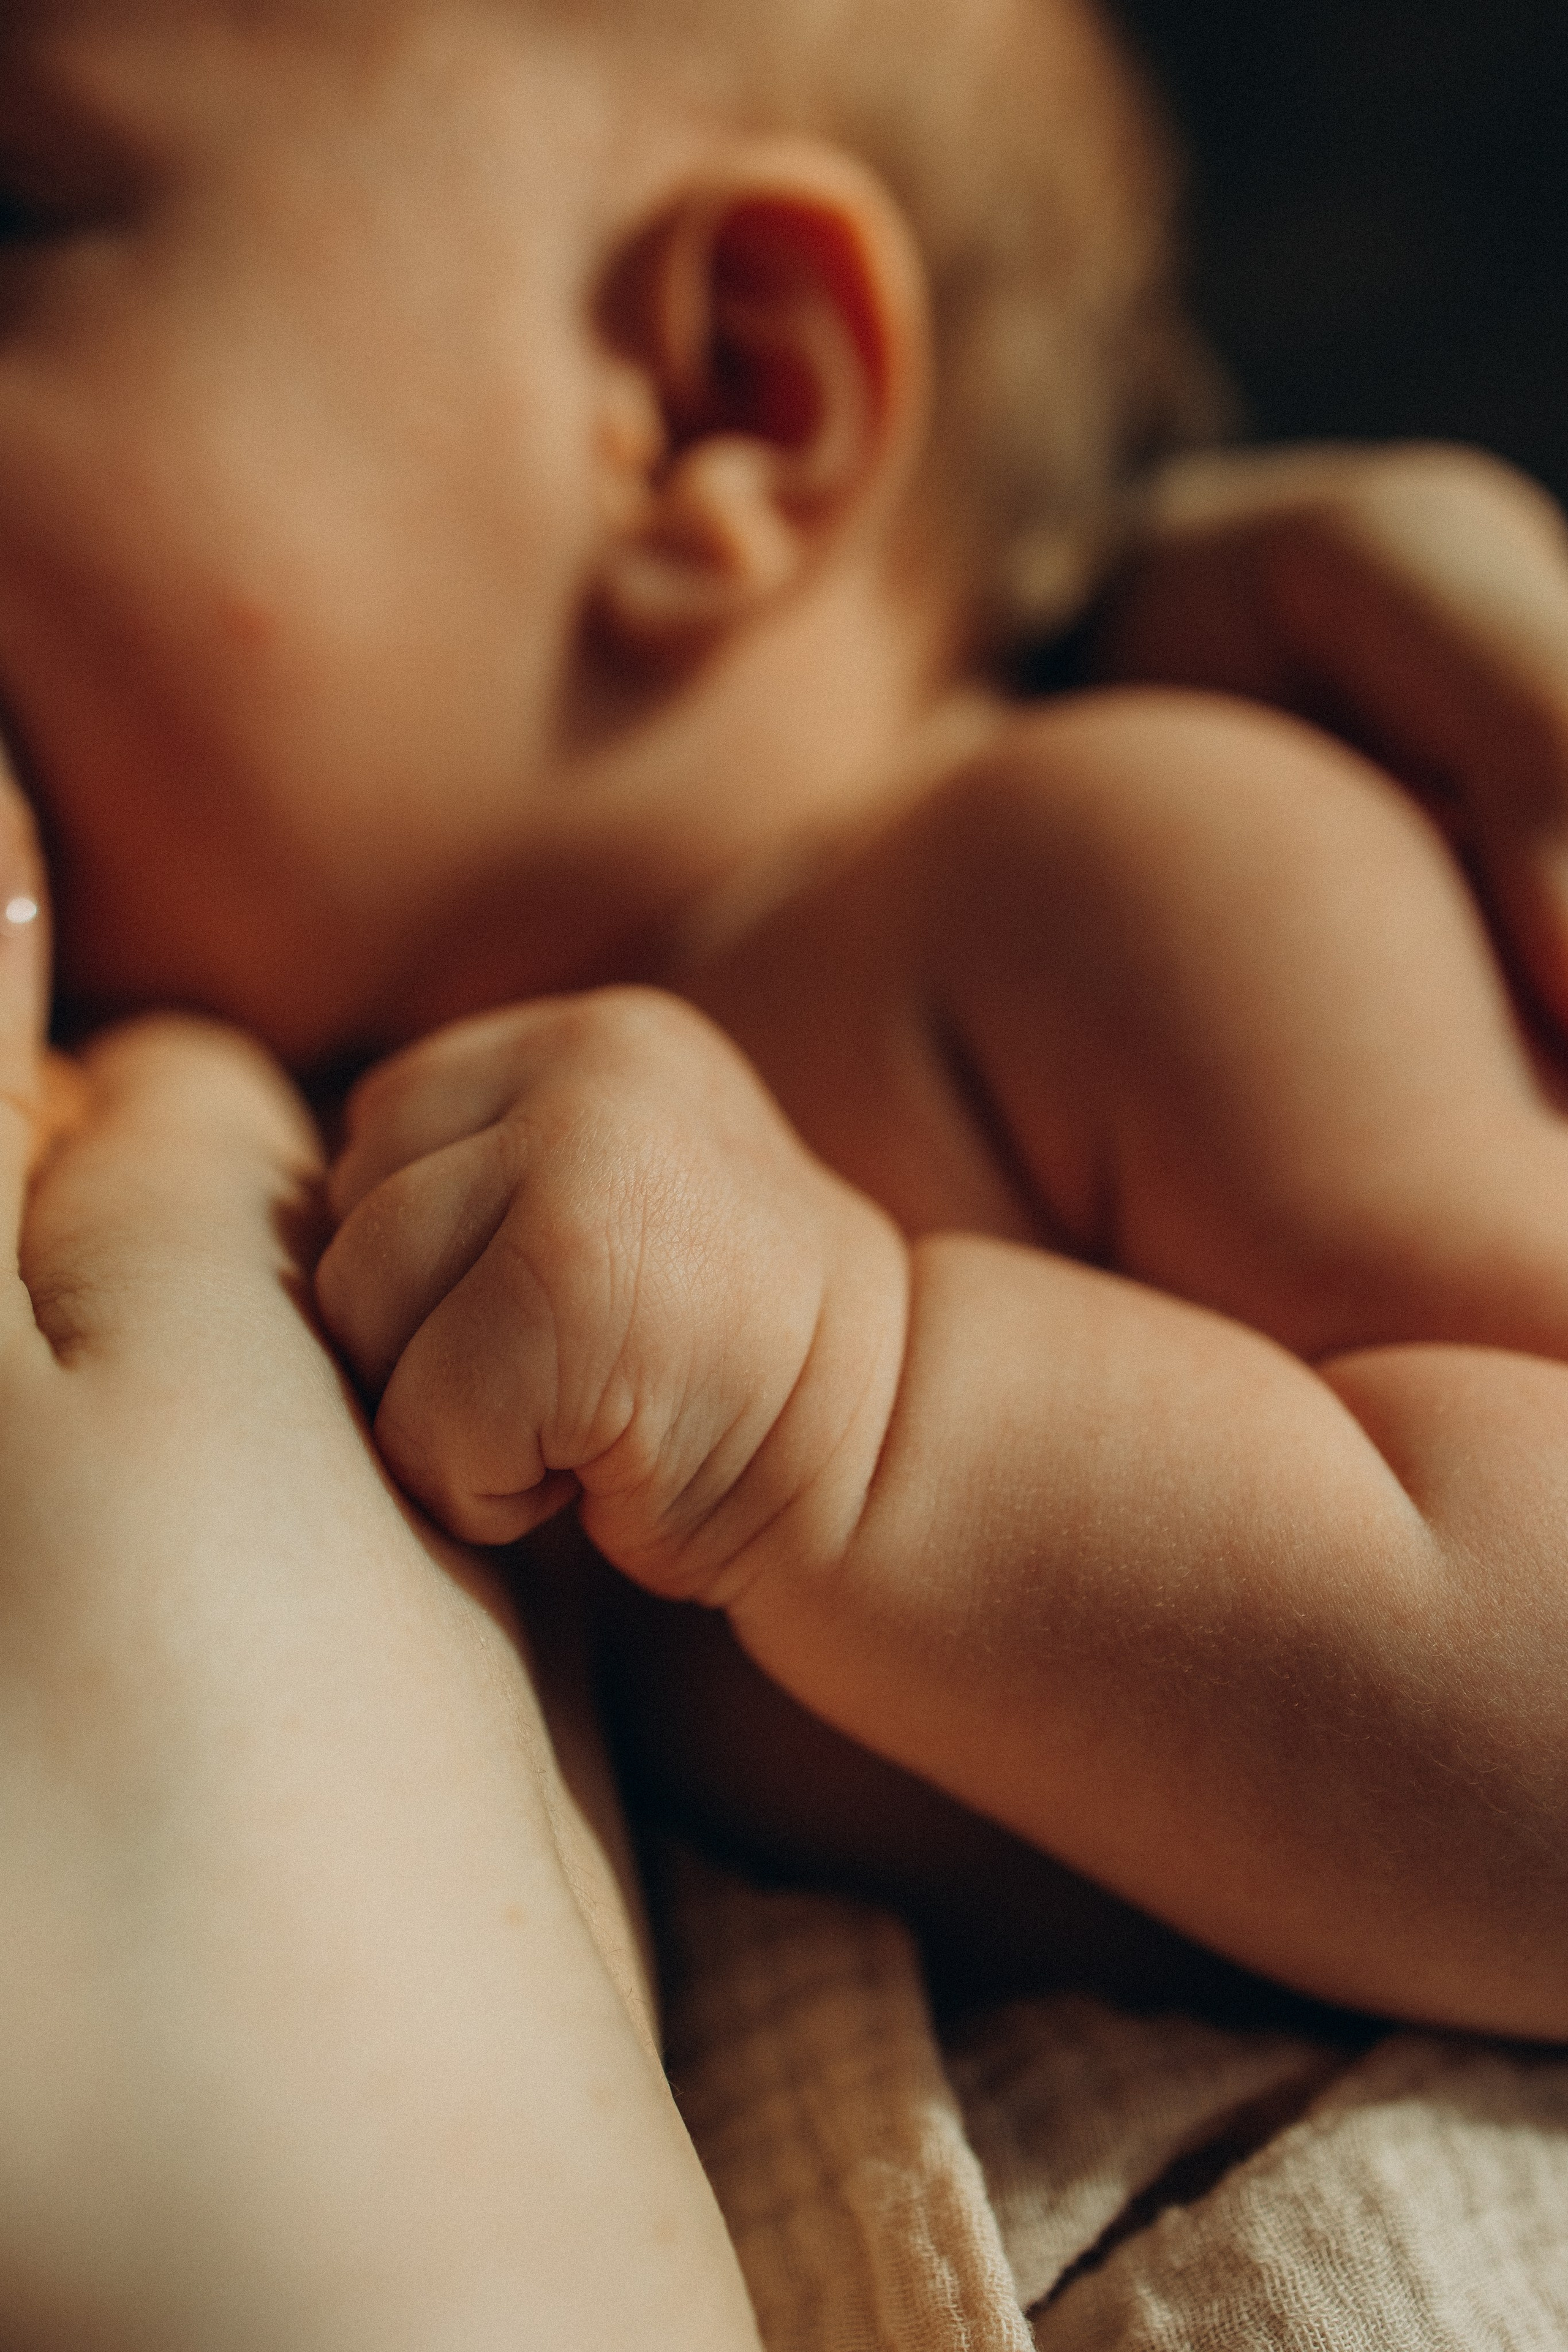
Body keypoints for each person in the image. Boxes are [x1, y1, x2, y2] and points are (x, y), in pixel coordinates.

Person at [5, 0, 1568, 2342]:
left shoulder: (1126, 872)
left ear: (721, 395)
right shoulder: (237, 1117)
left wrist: (868, 1395)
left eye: (19, 216)